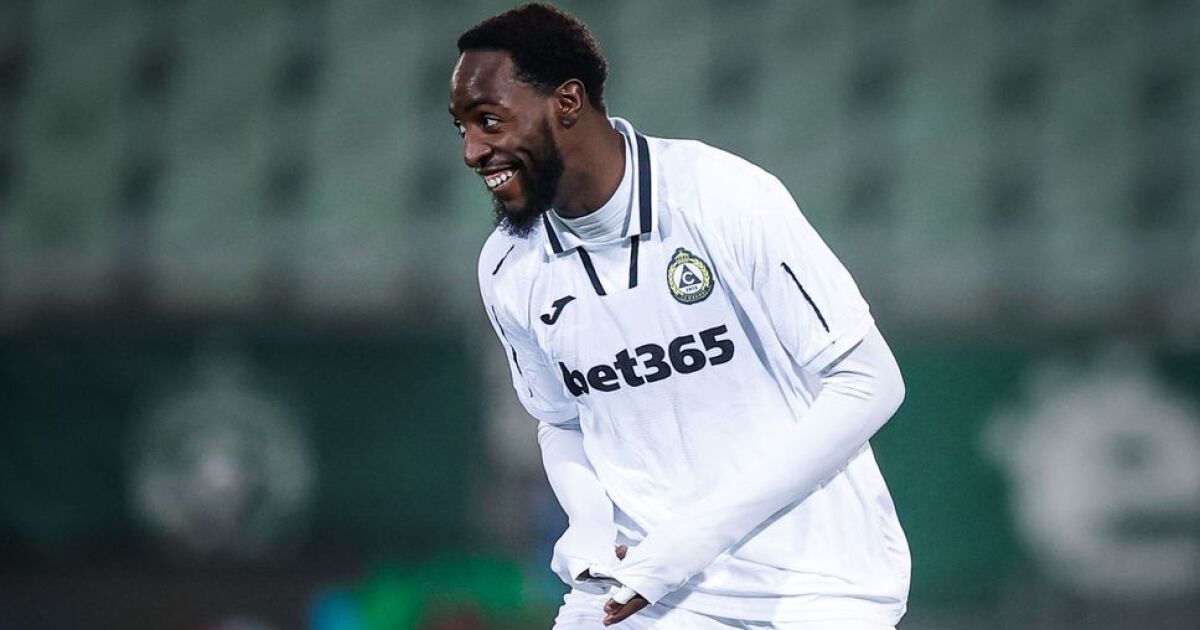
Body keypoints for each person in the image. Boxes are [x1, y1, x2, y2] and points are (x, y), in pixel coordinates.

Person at [450, 4, 910, 629]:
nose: (473, 151)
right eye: (461, 127)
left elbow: (870, 382)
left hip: (815, 588)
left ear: (567, 102)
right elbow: (560, 420)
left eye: (490, 120)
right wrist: (589, 522)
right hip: (641, 584)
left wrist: (692, 541)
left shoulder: (721, 197)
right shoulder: (509, 264)